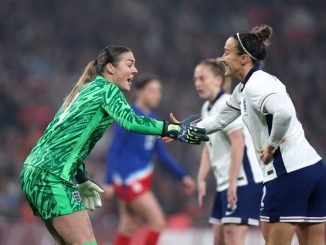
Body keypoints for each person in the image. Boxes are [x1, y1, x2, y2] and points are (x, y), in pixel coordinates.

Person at [19, 45, 207, 245]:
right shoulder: (108, 90)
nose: (135, 70)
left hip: (35, 170)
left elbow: (65, 137)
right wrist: (174, 130)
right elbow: (132, 122)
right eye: (130, 64)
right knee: (86, 242)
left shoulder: (85, 90)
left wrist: (81, 178)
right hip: (52, 175)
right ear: (110, 68)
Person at [179, 25, 326, 245]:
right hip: (313, 169)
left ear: (244, 59)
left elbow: (284, 113)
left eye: (227, 52)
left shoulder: (257, 85)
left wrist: (271, 144)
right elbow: (219, 120)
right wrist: (179, 130)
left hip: (288, 175)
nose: (222, 58)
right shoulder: (244, 89)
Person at [103, 74, 196, 245]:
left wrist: (182, 176)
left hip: (139, 180)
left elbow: (161, 153)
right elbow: (114, 149)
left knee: (128, 227)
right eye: (152, 91)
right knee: (158, 221)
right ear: (139, 92)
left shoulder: (152, 118)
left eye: (159, 91)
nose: (157, 95)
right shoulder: (128, 115)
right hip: (128, 180)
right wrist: (108, 181)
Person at [194, 58, 263, 245]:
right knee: (218, 239)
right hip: (225, 183)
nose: (197, 83)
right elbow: (209, 148)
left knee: (233, 238)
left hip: (242, 179)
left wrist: (232, 181)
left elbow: (238, 142)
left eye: (202, 78)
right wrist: (201, 178)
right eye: (195, 79)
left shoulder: (227, 103)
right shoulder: (206, 108)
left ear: (217, 80)